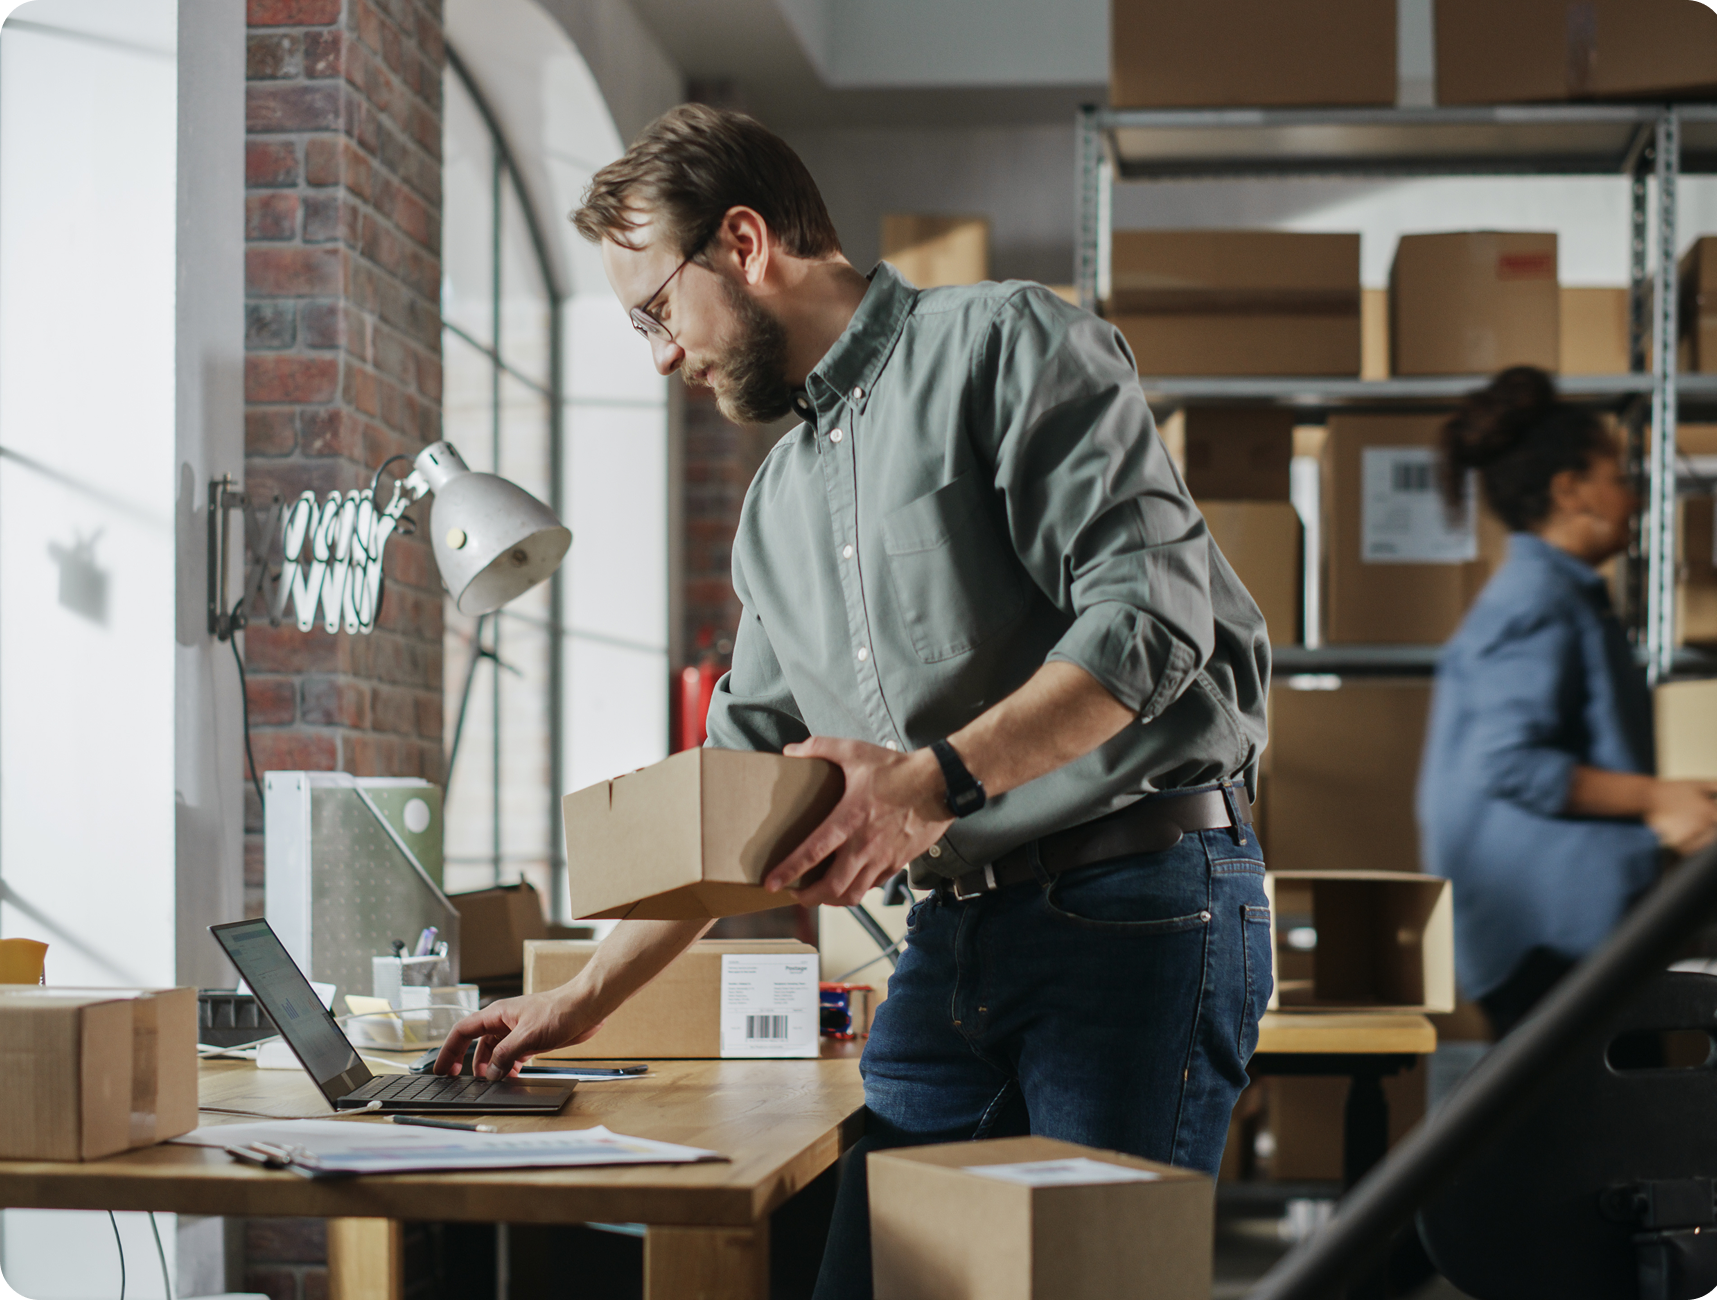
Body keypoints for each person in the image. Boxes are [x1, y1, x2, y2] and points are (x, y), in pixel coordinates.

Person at [435, 104, 1273, 1296]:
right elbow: (729, 797)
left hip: (1137, 903)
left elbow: (1150, 623)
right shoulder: (777, 506)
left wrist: (929, 787)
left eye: (656, 310)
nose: (662, 356)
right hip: (959, 936)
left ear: (743, 242)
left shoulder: (1008, 344)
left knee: (1089, 1283)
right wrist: (578, 998)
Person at [1418, 366, 1717, 1040]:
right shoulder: (1533, 601)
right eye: (1616, 475)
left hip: (1569, 940)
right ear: (1571, 492)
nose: (1632, 494)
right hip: (1549, 949)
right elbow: (1512, 764)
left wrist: (1667, 798)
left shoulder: (1562, 593)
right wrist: (1654, 799)